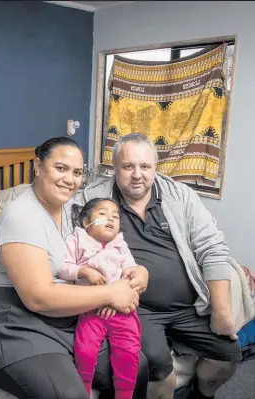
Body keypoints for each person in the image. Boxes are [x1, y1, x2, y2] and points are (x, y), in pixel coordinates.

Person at [0, 137, 149, 399]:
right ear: (38, 166)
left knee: (138, 366)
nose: (70, 180)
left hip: (64, 310)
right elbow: (38, 298)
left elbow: (103, 248)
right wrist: (110, 294)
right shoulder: (21, 216)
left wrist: (138, 271)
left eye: (76, 173)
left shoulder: (72, 210)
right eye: (60, 168)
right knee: (69, 395)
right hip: (12, 317)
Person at [72, 133, 248, 399]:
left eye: (145, 166)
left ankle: (201, 394)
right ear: (114, 167)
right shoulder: (92, 201)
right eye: (128, 166)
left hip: (188, 307)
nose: (137, 174)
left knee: (227, 357)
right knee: (159, 370)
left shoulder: (180, 196)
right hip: (136, 308)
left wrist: (221, 310)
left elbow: (212, 247)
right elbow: (74, 245)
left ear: (156, 166)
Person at [58, 198, 143, 399]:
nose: (110, 219)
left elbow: (131, 273)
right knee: (85, 350)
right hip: (90, 308)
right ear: (86, 221)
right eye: (102, 214)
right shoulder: (77, 240)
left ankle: (124, 393)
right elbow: (62, 267)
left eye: (115, 217)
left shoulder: (120, 245)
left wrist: (119, 296)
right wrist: (84, 271)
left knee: (129, 352)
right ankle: (84, 386)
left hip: (121, 311)